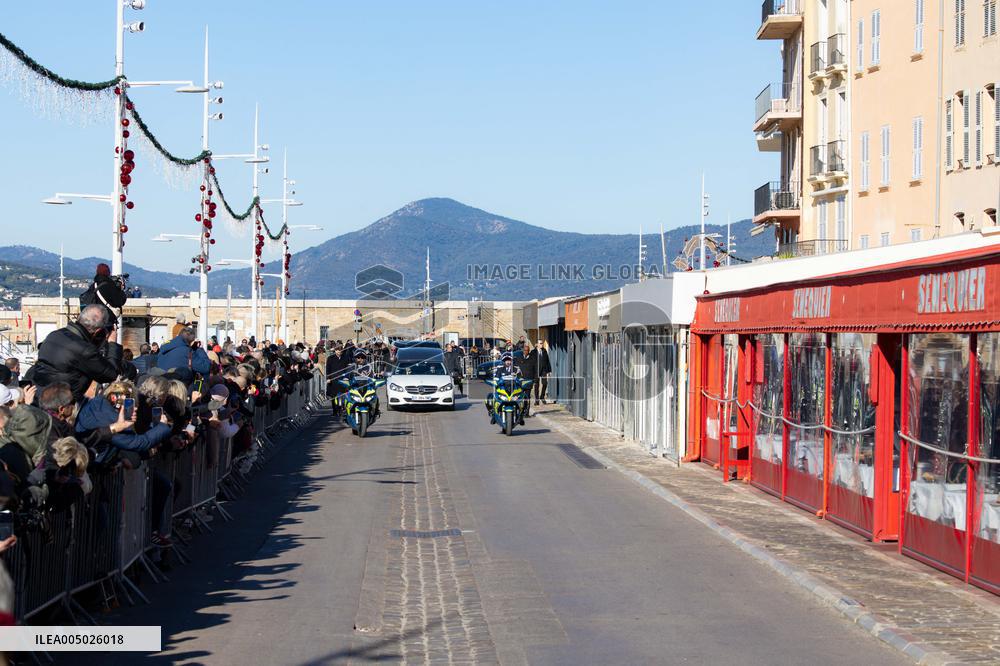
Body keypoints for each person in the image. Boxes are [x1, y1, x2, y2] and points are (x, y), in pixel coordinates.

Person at [25, 304, 124, 403]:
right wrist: (112, 344)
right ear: (98, 331)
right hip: (62, 405)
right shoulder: (85, 350)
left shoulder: (54, 335)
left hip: (40, 397)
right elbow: (111, 374)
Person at [516, 342, 536, 417]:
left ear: (529, 351)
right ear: (523, 351)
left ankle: (526, 413)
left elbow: (535, 370)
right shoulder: (519, 359)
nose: (525, 352)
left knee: (527, 397)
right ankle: (520, 412)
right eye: (524, 350)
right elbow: (516, 370)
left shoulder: (532, 359)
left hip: (528, 381)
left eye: (527, 350)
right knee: (520, 397)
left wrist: (534, 380)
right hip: (520, 381)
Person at [532, 340, 552, 405]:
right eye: (540, 343)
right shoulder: (533, 352)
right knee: (536, 385)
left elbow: (547, 361)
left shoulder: (544, 351)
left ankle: (542, 396)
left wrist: (549, 371)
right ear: (537, 344)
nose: (541, 345)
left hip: (544, 370)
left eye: (542, 343)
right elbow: (531, 362)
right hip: (536, 370)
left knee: (545, 383)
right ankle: (536, 400)